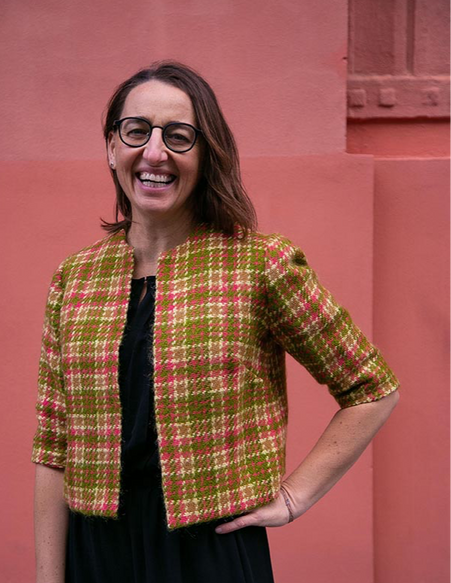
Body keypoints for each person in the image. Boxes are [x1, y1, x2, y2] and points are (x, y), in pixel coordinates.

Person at [32, 61, 400, 583]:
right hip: (97, 553)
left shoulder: (259, 264)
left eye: (179, 136)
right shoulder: (74, 279)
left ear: (206, 154)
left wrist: (294, 497)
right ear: (112, 147)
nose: (154, 153)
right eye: (136, 131)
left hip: (210, 553)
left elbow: (372, 388)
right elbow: (54, 448)